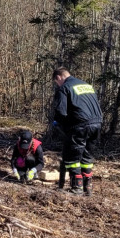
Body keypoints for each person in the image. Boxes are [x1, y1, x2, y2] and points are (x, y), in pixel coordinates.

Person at [51, 66, 103, 195]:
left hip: (80, 125)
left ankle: (77, 188)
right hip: (97, 124)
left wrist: (58, 123)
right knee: (87, 157)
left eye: (56, 82)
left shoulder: (64, 87)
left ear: (58, 77)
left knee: (72, 157)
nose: (57, 85)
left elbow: (60, 111)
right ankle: (88, 187)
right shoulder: (86, 85)